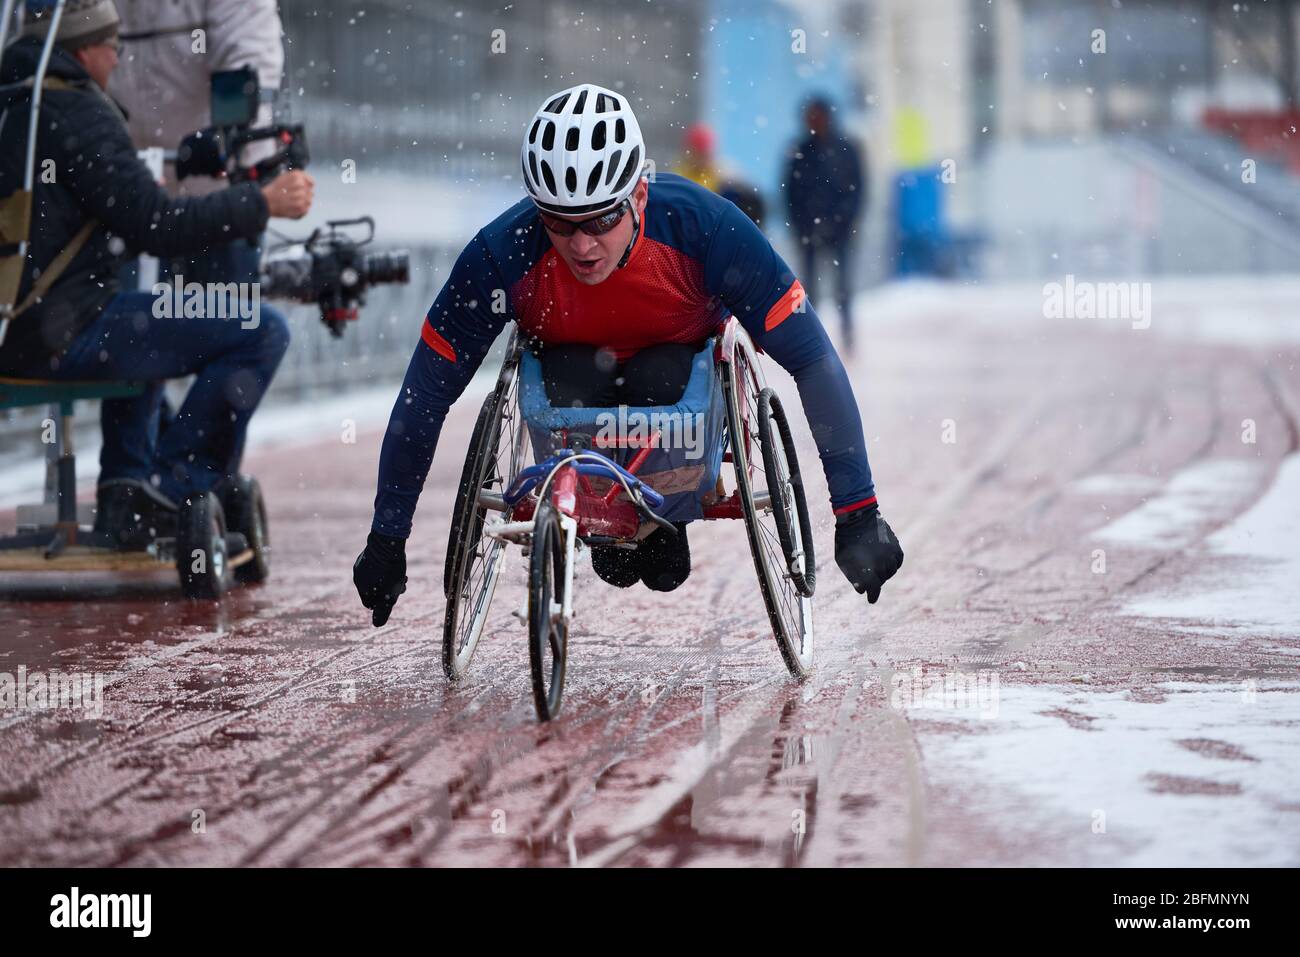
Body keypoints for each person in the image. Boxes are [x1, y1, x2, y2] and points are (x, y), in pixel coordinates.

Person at [353, 83, 902, 626]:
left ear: (640, 195)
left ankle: (663, 516)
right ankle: (611, 511)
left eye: (601, 220)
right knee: (564, 376)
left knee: (662, 372)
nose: (583, 246)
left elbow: (811, 358)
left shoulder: (708, 230)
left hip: (678, 387)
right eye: (561, 224)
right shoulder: (501, 255)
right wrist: (387, 536)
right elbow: (424, 394)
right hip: (571, 385)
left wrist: (858, 511)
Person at [0, 0, 315, 547]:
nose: (120, 60)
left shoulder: (14, 106)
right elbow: (159, 224)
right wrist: (261, 202)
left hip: (13, 334)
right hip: (61, 335)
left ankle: (127, 484)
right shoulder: (78, 112)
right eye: (112, 47)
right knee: (261, 331)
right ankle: (176, 488)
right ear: (83, 51)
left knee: (147, 320)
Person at [108, 0, 285, 287]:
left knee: (229, 318)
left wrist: (230, 134)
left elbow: (248, 54)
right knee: (118, 319)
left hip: (216, 195)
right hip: (129, 196)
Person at [784, 94, 866, 352]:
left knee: (843, 288)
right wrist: (802, 226)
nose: (814, 121)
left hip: (839, 231)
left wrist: (842, 221)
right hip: (809, 231)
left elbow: (857, 191)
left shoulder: (846, 150)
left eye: (817, 116)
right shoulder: (800, 150)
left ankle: (847, 336)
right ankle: (812, 340)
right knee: (808, 290)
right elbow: (790, 193)